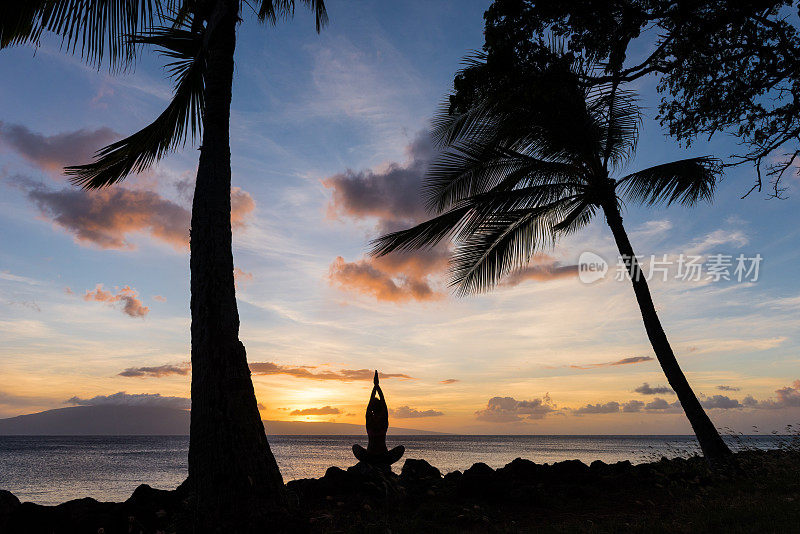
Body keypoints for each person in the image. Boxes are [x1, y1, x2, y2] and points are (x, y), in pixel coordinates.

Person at [352, 371, 404, 466]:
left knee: (355, 447)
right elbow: (383, 402)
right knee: (401, 448)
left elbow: (371, 404)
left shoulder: (370, 420)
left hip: (371, 456)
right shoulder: (383, 420)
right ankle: (380, 464)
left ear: (372, 408)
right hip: (382, 456)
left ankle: (372, 464)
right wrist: (377, 386)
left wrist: (375, 387)